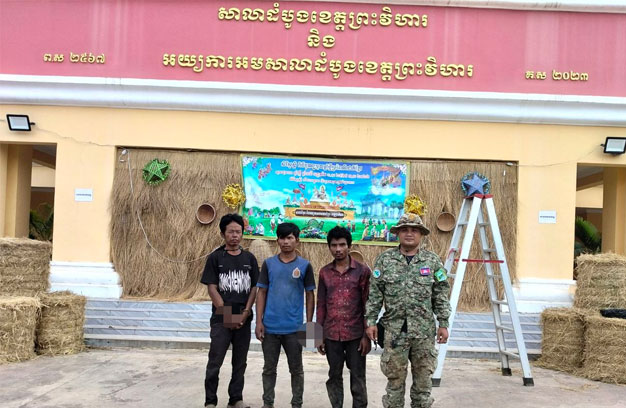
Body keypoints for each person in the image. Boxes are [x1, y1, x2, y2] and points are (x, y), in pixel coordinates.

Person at [365, 212, 451, 408]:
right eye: (404, 230)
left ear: (421, 234)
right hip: (394, 332)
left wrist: (443, 324)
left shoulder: (432, 261)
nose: (409, 234)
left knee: (423, 386)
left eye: (414, 230)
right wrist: (370, 321)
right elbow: (375, 294)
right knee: (394, 384)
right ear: (398, 233)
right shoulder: (385, 260)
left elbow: (440, 294)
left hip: (423, 333)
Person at [201, 214, 259, 408]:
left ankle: (235, 399)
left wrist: (246, 312)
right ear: (222, 234)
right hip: (221, 319)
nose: (235, 236)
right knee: (215, 361)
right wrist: (228, 315)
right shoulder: (215, 258)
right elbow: (212, 288)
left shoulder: (249, 258)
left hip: (244, 318)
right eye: (231, 232)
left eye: (238, 232)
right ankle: (210, 401)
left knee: (240, 362)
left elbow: (254, 288)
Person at [255, 222, 316, 408]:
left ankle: (297, 403)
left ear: (297, 240)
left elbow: (310, 294)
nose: (286, 242)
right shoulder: (269, 264)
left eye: (290, 238)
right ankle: (267, 404)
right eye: (282, 238)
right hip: (270, 328)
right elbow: (261, 292)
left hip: (294, 329)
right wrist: (258, 322)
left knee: (296, 370)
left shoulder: (305, 265)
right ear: (277, 241)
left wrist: (309, 325)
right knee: (269, 369)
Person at [317, 226, 371, 408]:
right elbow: (321, 304)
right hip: (332, 334)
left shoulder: (362, 271)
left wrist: (366, 336)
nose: (338, 249)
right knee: (334, 375)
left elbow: (367, 304)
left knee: (358, 376)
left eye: (342, 245)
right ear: (329, 247)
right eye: (334, 245)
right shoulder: (324, 272)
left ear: (349, 246)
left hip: (356, 334)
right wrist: (318, 335)